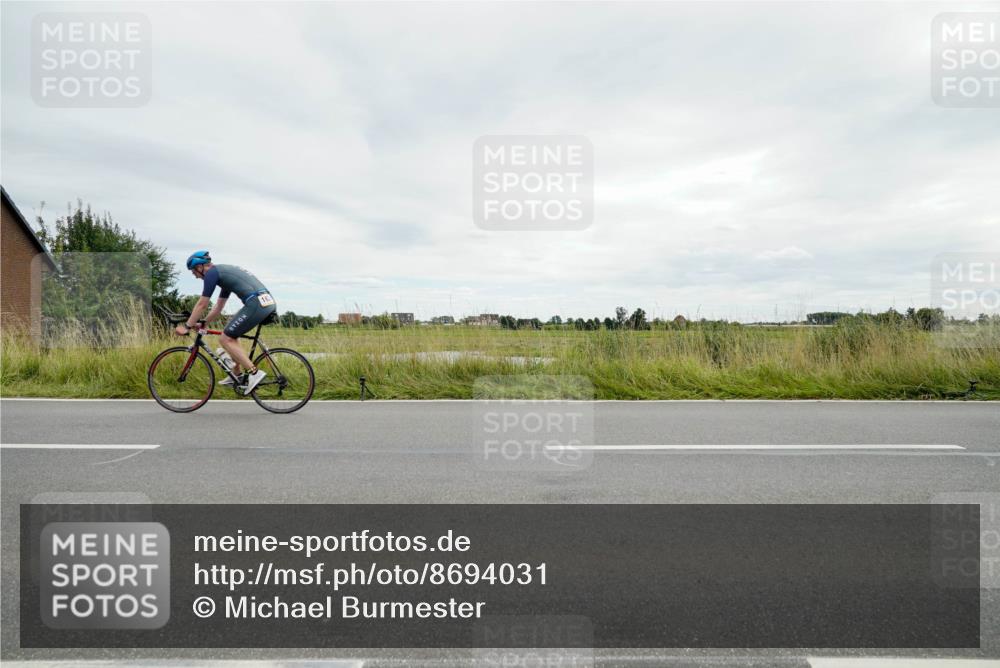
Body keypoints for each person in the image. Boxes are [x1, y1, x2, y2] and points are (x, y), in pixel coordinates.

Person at [175, 251, 275, 392]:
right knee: (231, 335)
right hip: (264, 303)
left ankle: (254, 373)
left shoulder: (211, 274)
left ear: (200, 267)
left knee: (225, 339)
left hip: (256, 303)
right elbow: (219, 306)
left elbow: (202, 304)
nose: (195, 276)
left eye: (194, 272)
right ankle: (237, 373)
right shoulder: (221, 274)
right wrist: (204, 323)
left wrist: (187, 326)